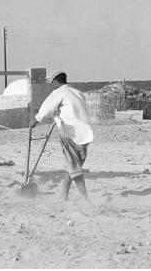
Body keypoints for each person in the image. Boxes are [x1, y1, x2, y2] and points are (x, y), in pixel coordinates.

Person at [29, 71, 94, 203]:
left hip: (71, 133)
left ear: (55, 82)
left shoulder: (58, 93)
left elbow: (46, 109)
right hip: (86, 133)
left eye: (51, 83)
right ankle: (63, 195)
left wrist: (36, 120)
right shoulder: (78, 93)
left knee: (73, 166)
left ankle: (85, 198)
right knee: (71, 165)